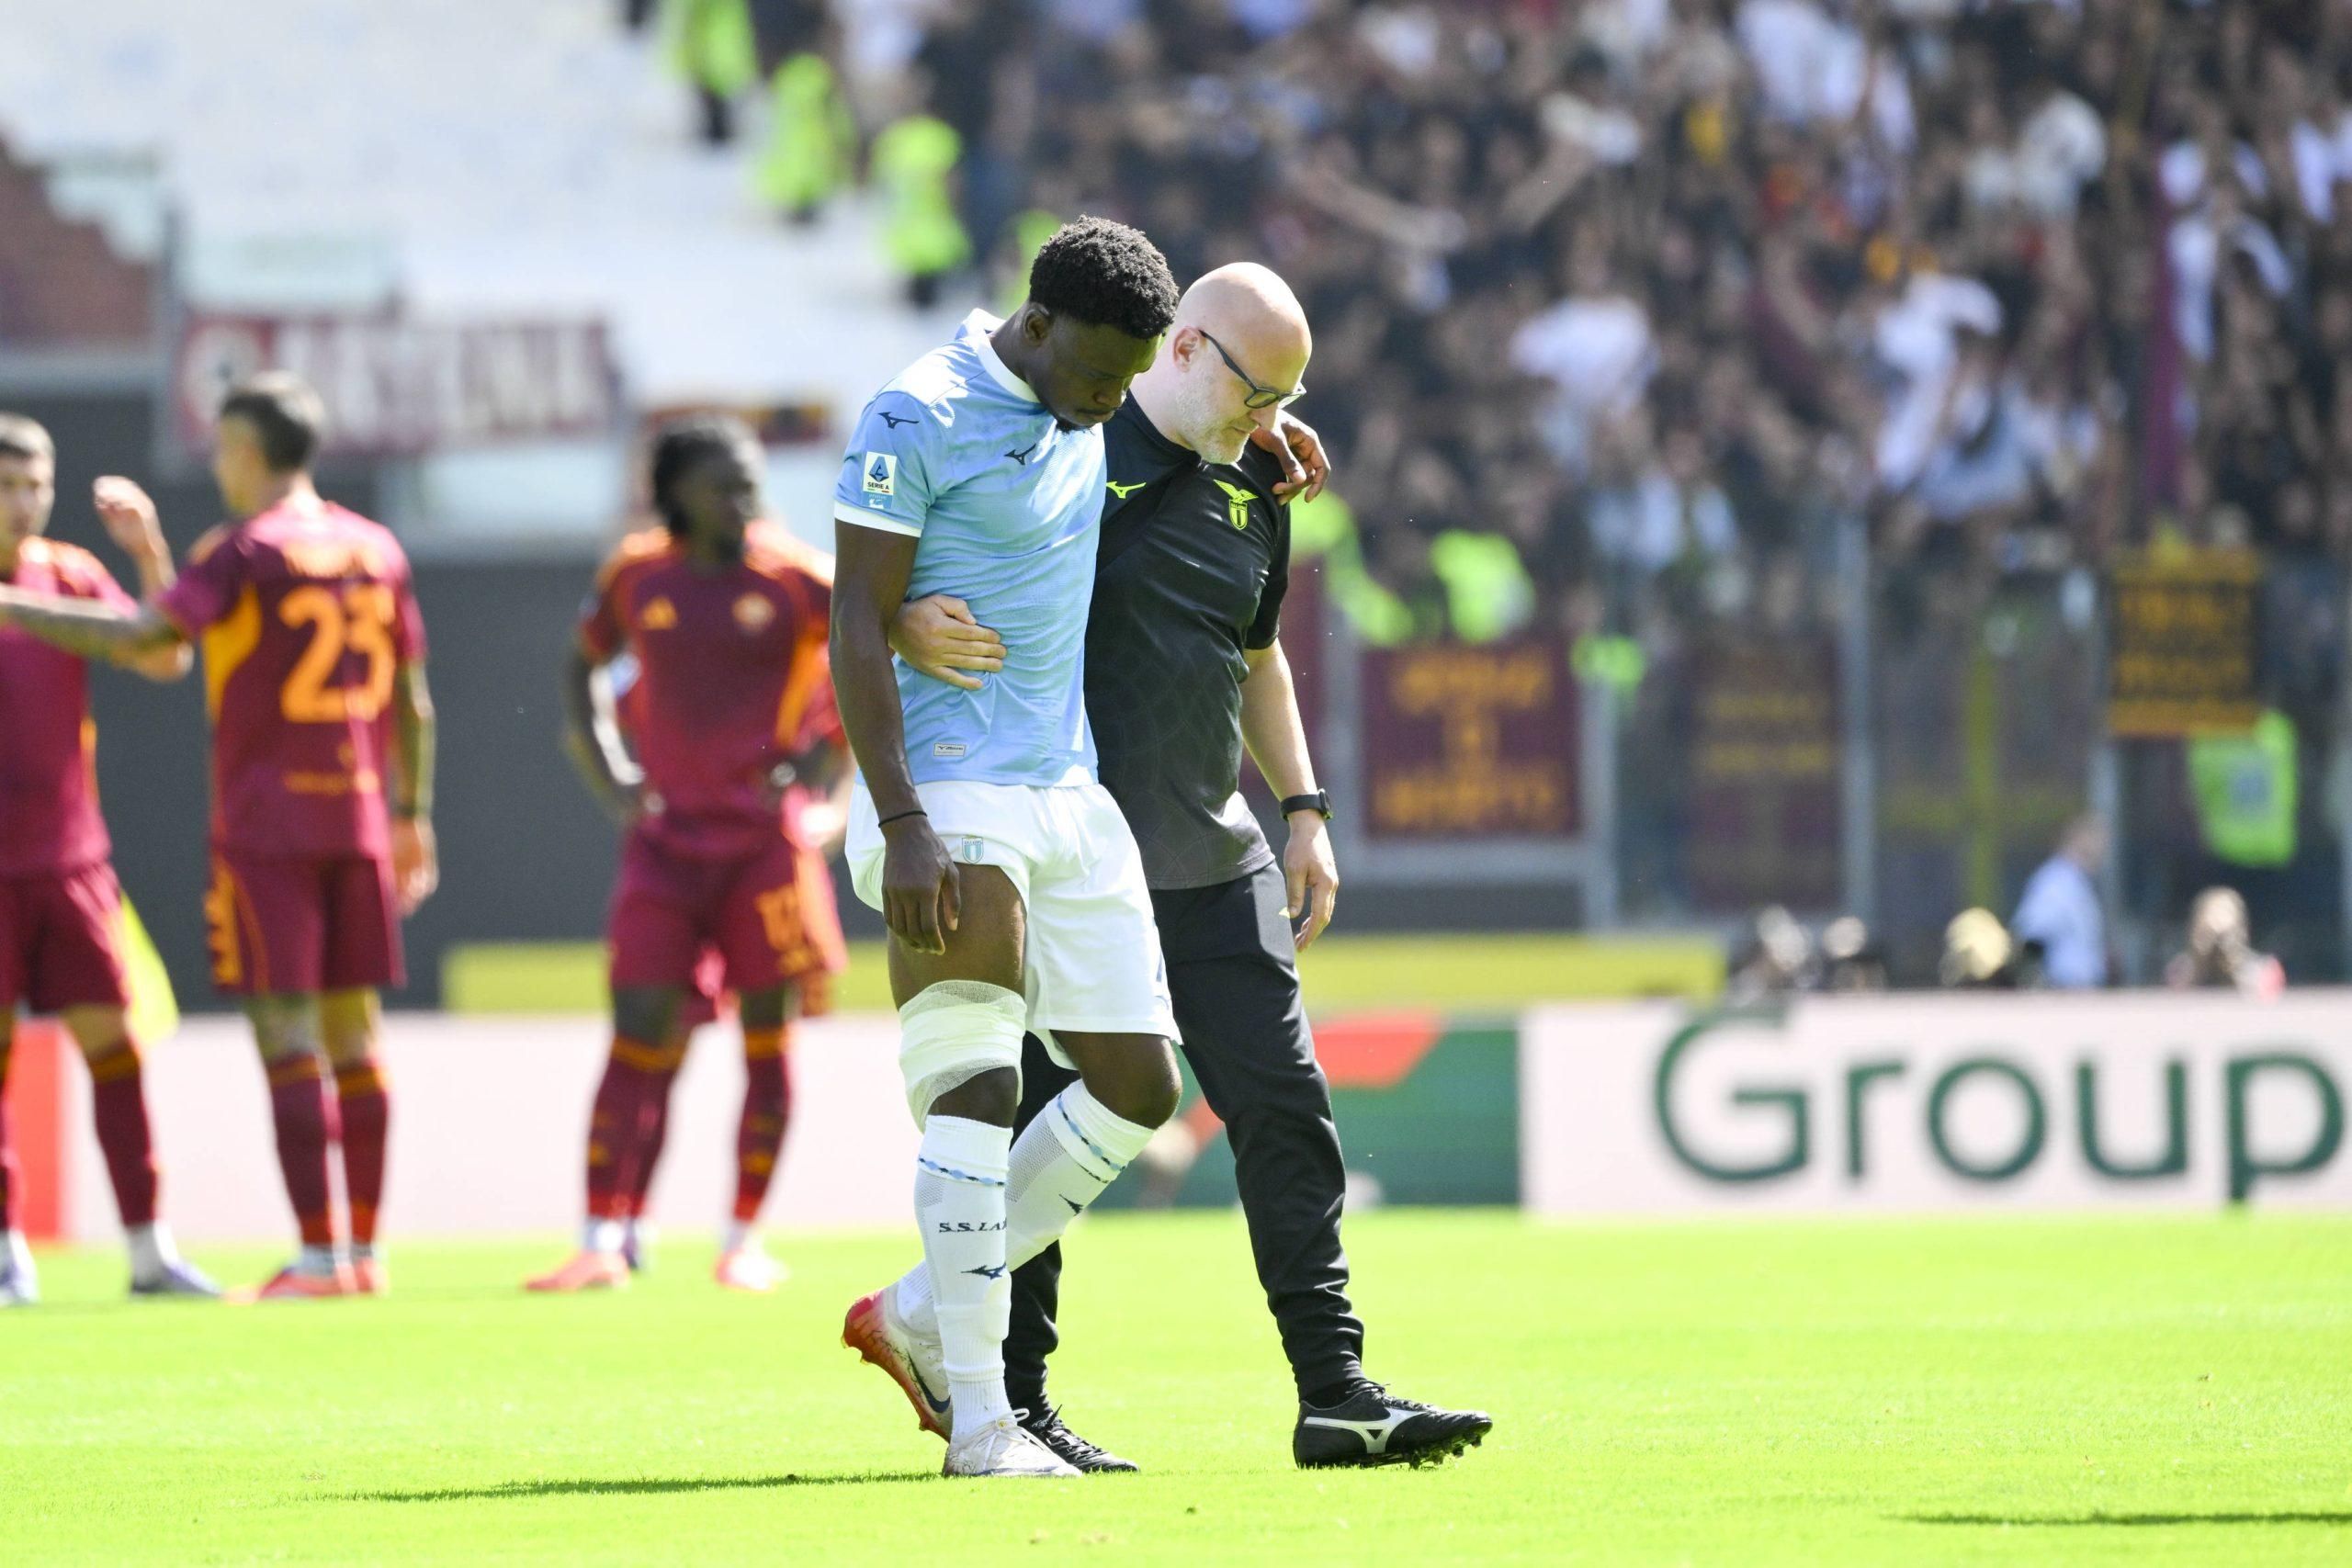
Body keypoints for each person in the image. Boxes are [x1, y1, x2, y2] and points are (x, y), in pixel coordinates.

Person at [890, 264, 1491, 1471]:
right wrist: (903, 613)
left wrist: (1306, 805)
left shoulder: (1259, 485)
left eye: (1288, 395)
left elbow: (1255, 652)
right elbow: (895, 543)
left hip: (1213, 848)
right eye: (1254, 388)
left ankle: (1336, 1391)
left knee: (1284, 1106)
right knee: (1045, 1118)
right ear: (1184, 347)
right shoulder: (1061, 439)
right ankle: (1010, 1401)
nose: (1270, 417)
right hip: (1059, 854)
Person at [826, 216, 1204, 1480]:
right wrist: (903, 823)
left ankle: (921, 1311)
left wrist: (1269, 441)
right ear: (1037, 325)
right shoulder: (915, 413)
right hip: (949, 789)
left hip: (1066, 792)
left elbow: (1194, 417)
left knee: (1142, 1086)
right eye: (1099, 373)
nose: (1110, 401)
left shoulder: (1088, 410)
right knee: (978, 1090)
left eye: (1128, 380)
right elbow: (851, 624)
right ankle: (983, 1422)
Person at [0, 373, 437, 1301]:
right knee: (352, 1036)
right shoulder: (374, 546)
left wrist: (35, 598)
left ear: (249, 453)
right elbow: (414, 698)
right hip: (356, 815)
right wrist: (411, 811)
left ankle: (304, 1255)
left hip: (242, 833)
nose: (218, 463)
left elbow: (149, 642)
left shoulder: (227, 552)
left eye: (225, 446)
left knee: (274, 1035)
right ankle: (359, 1255)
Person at [529, 415, 847, 1295]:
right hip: (665, 845)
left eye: (750, 483)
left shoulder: (796, 577)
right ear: (675, 495)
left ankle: (741, 1236)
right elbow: (578, 666)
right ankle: (606, 1234)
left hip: (764, 849)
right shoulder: (636, 575)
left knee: (766, 1040)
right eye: (722, 486)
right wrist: (611, 771)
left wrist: (833, 788)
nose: (742, 501)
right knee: (639, 1034)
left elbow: (872, 659)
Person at [0, 414, 217, 1303]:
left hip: (70, 862)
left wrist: (150, 552)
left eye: (37, 484)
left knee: (116, 1051)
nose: (25, 501)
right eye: (9, 485)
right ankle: (9, 1253)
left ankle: (147, 1250)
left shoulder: (70, 573)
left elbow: (167, 657)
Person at [2010, 816, 2109, 989]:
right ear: (2078, 838)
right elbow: (2032, 936)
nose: (2102, 846)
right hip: (2062, 989)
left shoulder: (2078, 881)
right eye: (2095, 837)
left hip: (2083, 990)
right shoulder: (2055, 881)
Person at [2165, 886, 2285, 997]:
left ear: (2241, 929)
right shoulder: (2178, 971)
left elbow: (2267, 1005)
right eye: (2207, 929)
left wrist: (2237, 970)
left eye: (2224, 916)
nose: (2217, 925)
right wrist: (2198, 966)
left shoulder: (2265, 971)